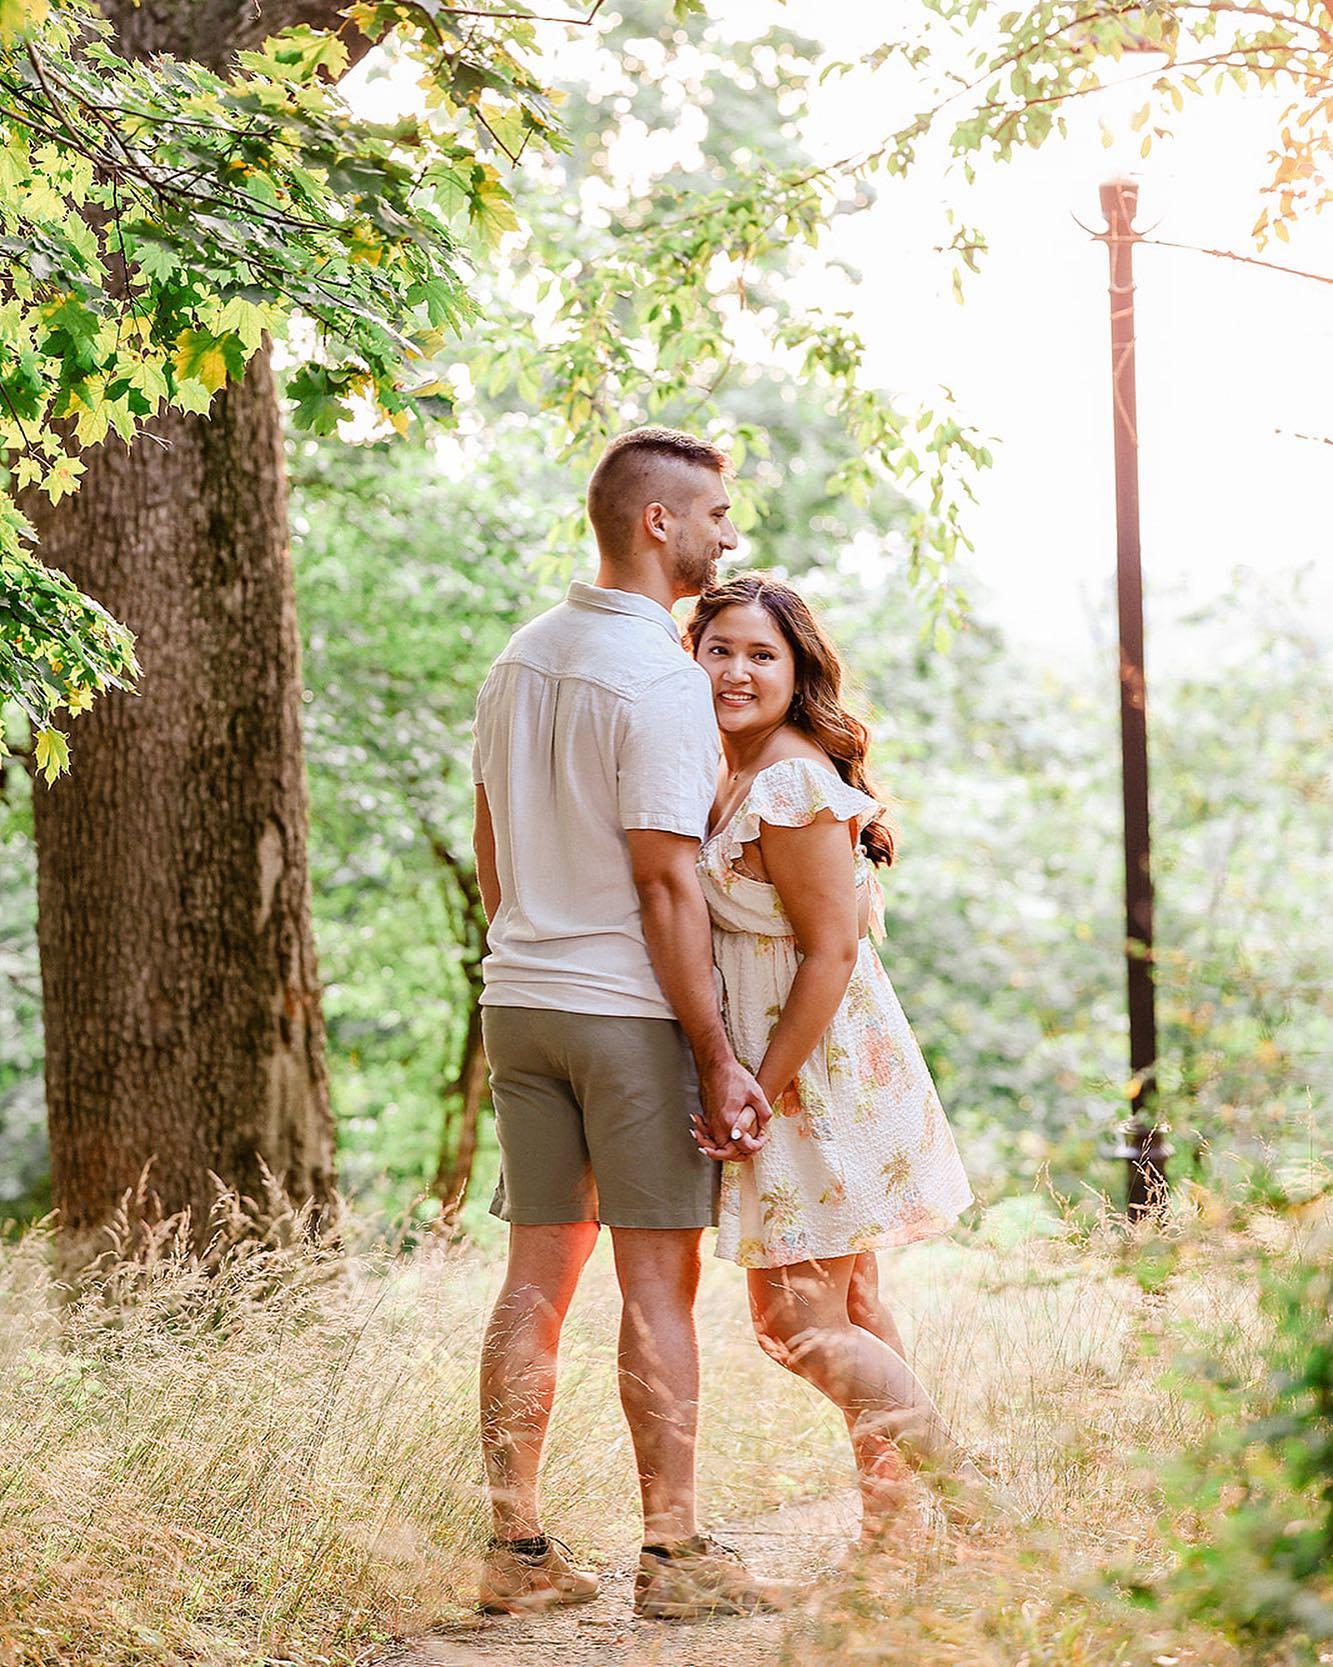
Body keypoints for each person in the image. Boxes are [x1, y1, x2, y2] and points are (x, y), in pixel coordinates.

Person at [470, 429, 799, 1620]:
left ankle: (513, 1552)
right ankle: (673, 1557)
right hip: (622, 1012)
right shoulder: (659, 676)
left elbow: (491, 843)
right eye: (713, 511)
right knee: (657, 1283)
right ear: (657, 522)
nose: (726, 533)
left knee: (533, 1281)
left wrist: (531, 944)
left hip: (520, 1001)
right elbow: (667, 882)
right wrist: (715, 1056)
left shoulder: (520, 654)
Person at [686, 572, 994, 1542]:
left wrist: (758, 1088)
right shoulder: (727, 767)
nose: (736, 670)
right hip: (799, 1061)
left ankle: (975, 1497)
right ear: (691, 654)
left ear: (797, 668)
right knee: (853, 1298)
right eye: (719, 648)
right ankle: (892, 1519)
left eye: (760, 654)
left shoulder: (787, 778)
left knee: (795, 1322)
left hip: (813, 1071)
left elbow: (832, 950)